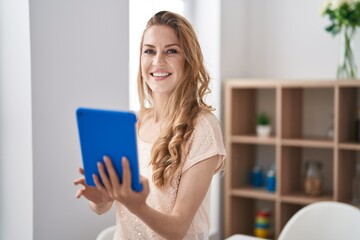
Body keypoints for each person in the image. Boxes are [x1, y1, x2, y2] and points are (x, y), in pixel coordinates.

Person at [74, 11, 226, 240]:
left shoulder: (202, 128)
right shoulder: (131, 124)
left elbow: (178, 229)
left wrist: (138, 205)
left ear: (189, 61)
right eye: (149, 51)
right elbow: (105, 208)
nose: (158, 61)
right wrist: (101, 199)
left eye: (171, 51)